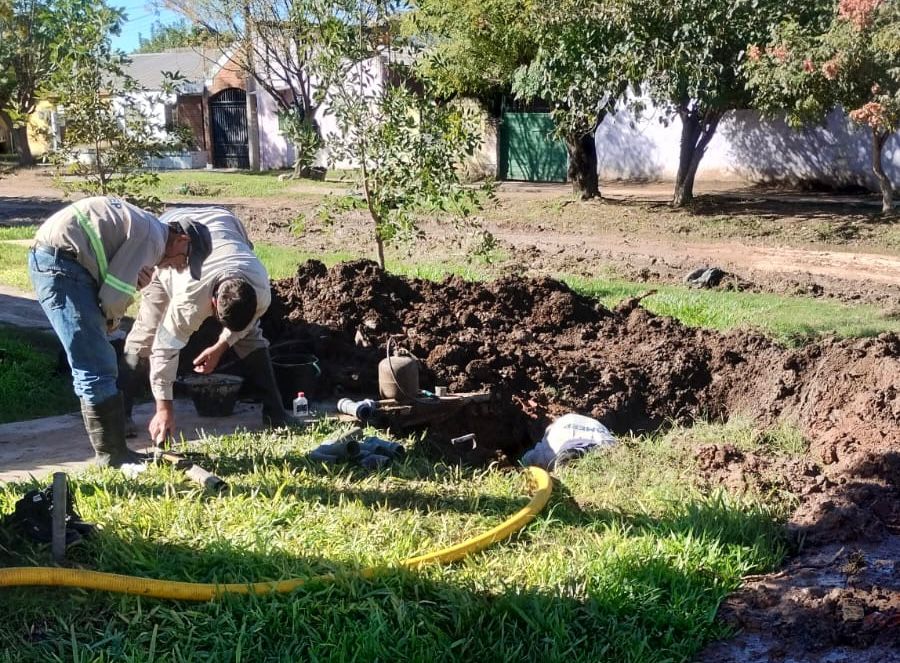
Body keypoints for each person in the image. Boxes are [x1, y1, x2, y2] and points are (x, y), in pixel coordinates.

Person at [28, 196, 210, 468]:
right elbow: (113, 297)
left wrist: (129, 286)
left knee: (95, 363)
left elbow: (112, 273)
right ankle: (112, 456)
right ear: (182, 240)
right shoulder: (152, 241)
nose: (179, 267)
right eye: (185, 260)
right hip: (62, 266)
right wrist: (111, 321)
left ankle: (113, 452)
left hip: (63, 260)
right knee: (97, 365)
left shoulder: (150, 231)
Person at [119, 206, 289, 444]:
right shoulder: (189, 300)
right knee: (147, 333)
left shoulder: (261, 287)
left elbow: (244, 325)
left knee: (251, 335)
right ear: (211, 303)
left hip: (223, 220)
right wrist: (164, 408)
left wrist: (221, 346)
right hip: (172, 239)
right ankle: (120, 415)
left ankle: (276, 412)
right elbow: (164, 350)